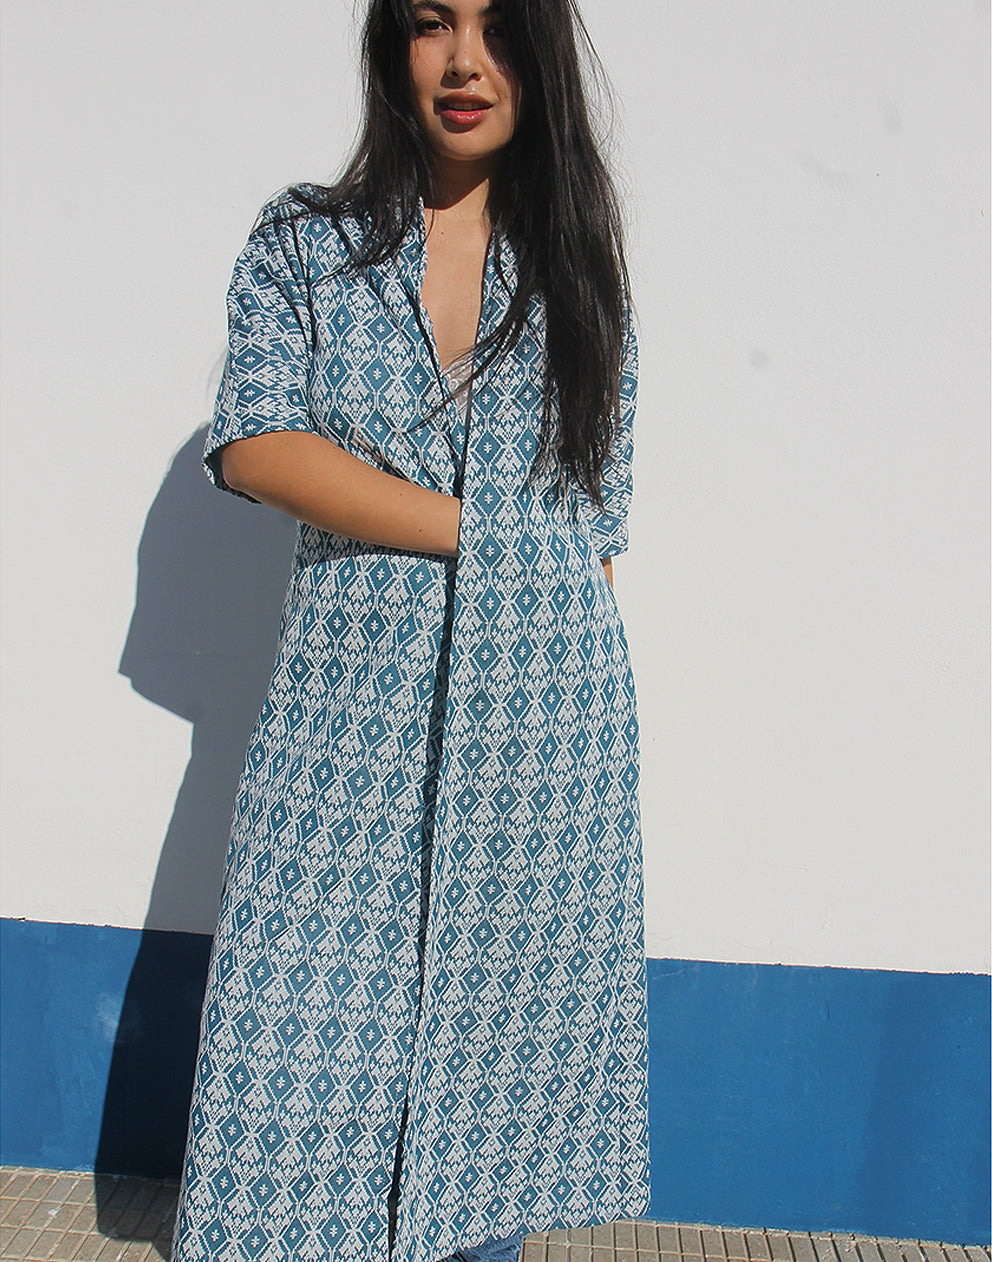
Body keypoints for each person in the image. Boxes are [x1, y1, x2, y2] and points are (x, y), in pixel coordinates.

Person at [171, 0, 649, 1257]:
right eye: (431, 24)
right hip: (343, 721)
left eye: (496, 29)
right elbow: (257, 442)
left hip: (536, 723)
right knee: (291, 1051)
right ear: (391, 48)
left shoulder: (576, 269)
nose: (463, 61)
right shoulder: (305, 244)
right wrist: (477, 530)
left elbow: (597, 521)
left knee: (491, 1088)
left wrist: (575, 711)